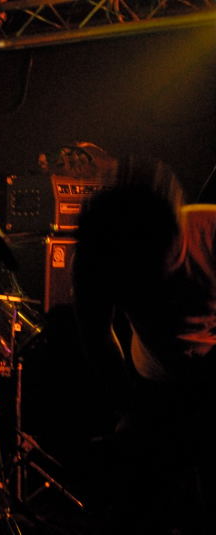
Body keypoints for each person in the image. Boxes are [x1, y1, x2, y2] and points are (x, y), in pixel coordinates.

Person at [72, 155, 216, 534]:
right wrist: (129, 405)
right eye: (140, 264)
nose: (152, 274)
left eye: (161, 256)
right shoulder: (99, 256)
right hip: (155, 385)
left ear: (178, 228)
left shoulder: (211, 229)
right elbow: (96, 335)